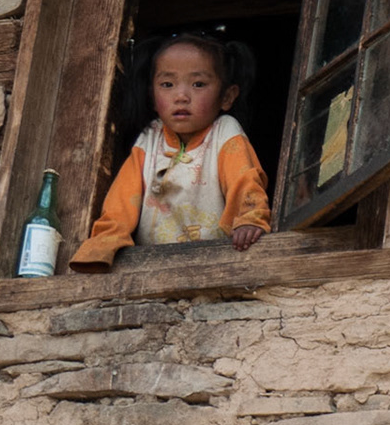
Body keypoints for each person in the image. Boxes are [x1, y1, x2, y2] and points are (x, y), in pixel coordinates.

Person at [70, 32, 271, 272]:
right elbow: (122, 200)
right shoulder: (149, 139)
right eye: (167, 85)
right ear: (152, 98)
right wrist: (104, 242)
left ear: (227, 97)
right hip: (152, 266)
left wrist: (249, 218)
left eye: (198, 84)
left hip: (216, 260)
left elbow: (244, 179)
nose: (181, 96)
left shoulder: (224, 131)